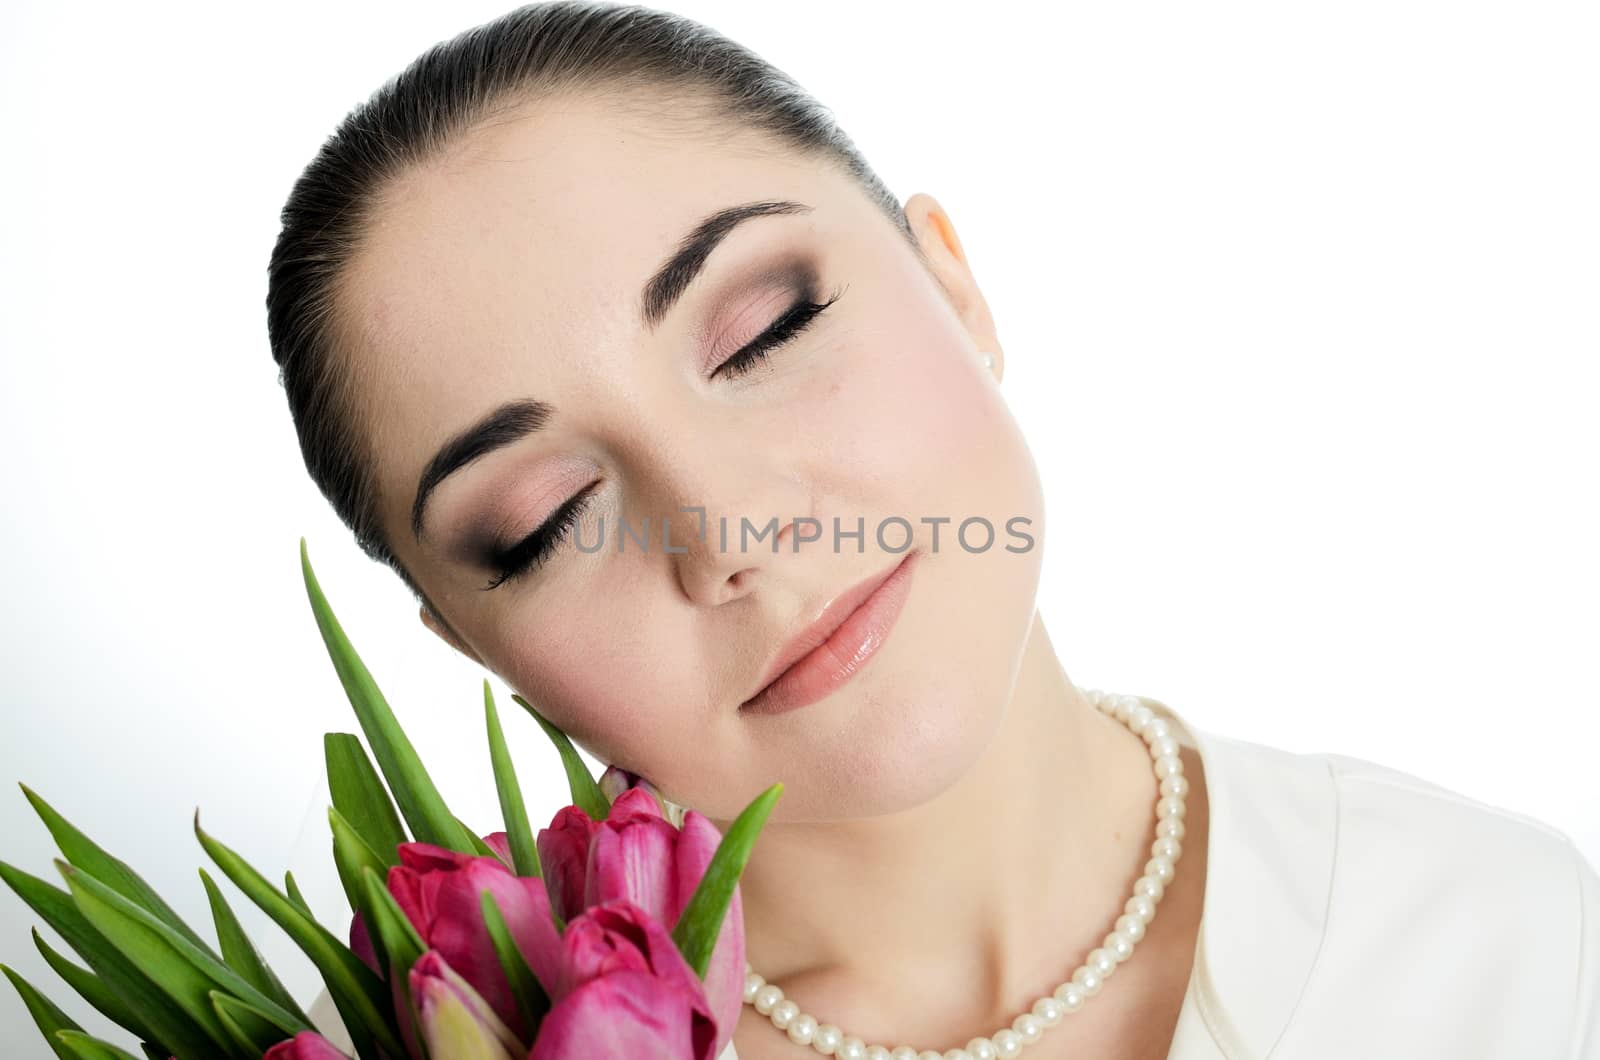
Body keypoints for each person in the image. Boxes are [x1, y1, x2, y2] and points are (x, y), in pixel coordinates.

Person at [269, 4, 1598, 1057]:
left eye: (762, 333)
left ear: (953, 286)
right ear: (467, 639)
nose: (731, 531)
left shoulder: (1512, 948)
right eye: (547, 519)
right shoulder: (422, 1052)